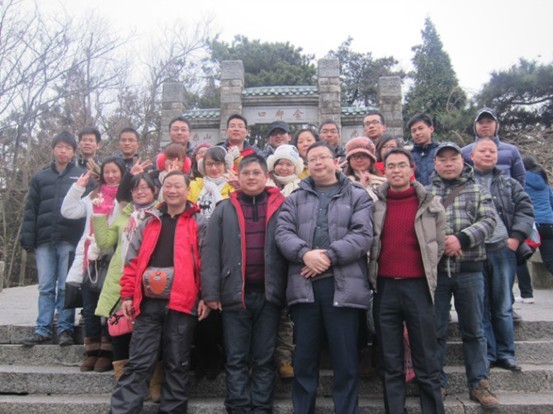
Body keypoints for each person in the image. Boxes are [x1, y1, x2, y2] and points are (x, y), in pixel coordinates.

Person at [276, 141, 373, 414]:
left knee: (345, 359)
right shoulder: (295, 197)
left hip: (343, 287)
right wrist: (305, 254)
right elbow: (282, 233)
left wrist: (327, 257)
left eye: (323, 157)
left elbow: (362, 235)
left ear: (336, 161)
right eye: (312, 158)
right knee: (304, 359)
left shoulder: (357, 195)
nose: (318, 162)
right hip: (304, 286)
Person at [110, 171, 209, 414]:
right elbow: (132, 261)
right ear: (162, 190)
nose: (172, 191)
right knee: (139, 360)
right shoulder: (150, 221)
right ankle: (122, 410)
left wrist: (206, 296)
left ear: (188, 191)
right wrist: (127, 295)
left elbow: (207, 263)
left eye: (178, 186)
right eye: (168, 186)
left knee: (177, 362)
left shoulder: (199, 222)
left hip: (183, 300)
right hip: (148, 301)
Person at [202, 155, 287, 414]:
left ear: (266, 177)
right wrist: (210, 293)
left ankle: (261, 407)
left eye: (256, 173)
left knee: (264, 357)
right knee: (236, 357)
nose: (251, 177)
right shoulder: (224, 208)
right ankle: (238, 406)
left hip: (270, 295)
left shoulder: (281, 206)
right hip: (234, 294)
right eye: (246, 173)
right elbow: (210, 251)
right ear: (237, 177)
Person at [371, 147, 445, 414]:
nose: (396, 170)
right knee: (390, 362)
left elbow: (438, 245)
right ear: (384, 171)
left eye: (402, 165)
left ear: (412, 169)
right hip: (385, 288)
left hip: (418, 287)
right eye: (391, 166)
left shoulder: (430, 204)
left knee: (426, 360)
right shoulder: (375, 204)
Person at [428, 142, 499, 410]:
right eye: (442, 159)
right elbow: (418, 226)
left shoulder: (477, 189)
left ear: (462, 161)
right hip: (437, 272)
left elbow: (489, 221)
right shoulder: (426, 192)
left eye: (453, 159)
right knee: (435, 329)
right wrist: (442, 242)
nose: (448, 163)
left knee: (474, 329)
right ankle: (437, 381)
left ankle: (479, 382)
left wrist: (461, 239)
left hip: (470, 269)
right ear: (435, 164)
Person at [20, 132, 89, 347]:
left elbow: (88, 207)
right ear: (53, 149)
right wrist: (28, 238)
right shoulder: (40, 177)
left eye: (67, 147)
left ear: (73, 151)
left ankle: (65, 329)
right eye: (59, 146)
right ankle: (42, 329)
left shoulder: (81, 175)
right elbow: (31, 210)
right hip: (44, 239)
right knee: (46, 286)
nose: (63, 151)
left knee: (65, 287)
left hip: (69, 239)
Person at [471, 138, 533, 373]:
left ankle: (506, 353)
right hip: (474, 251)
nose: (488, 154)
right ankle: (488, 353)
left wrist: (515, 238)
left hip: (502, 249)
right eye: (483, 151)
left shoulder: (509, 183)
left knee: (503, 304)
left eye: (492, 151)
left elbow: (526, 210)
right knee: (481, 305)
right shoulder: (464, 183)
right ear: (472, 156)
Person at [61, 157, 125, 372]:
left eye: (115, 171)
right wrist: (77, 188)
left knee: (108, 305)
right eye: (108, 172)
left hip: (112, 258)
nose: (111, 175)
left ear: (122, 173)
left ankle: (107, 351)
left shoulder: (125, 199)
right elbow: (68, 211)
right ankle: (92, 350)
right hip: (90, 258)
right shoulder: (93, 196)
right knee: (89, 308)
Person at [92, 173, 158, 382]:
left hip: (149, 278)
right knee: (119, 329)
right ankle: (123, 380)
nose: (140, 192)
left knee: (149, 331)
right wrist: (99, 215)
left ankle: (153, 382)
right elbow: (104, 243)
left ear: (154, 190)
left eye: (145, 187)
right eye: (136, 188)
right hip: (120, 277)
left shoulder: (159, 214)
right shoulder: (124, 215)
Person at [266, 143, 305, 379]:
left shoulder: (302, 189)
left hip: (293, 254)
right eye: (279, 163)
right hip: (268, 254)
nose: (283, 167)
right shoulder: (264, 187)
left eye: (288, 164)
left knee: (286, 313)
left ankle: (284, 357)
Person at [518, 156, 553, 300]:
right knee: (550, 260)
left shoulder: (520, 180)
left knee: (520, 259)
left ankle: (527, 295)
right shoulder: (544, 182)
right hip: (549, 224)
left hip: (532, 226)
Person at [461, 108, 525, 186]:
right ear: (475, 126)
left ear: (497, 125)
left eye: (489, 121)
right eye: (480, 122)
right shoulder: (463, 153)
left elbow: (520, 179)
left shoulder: (512, 151)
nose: (485, 125)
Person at [188, 146, 235, 219]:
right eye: (209, 164)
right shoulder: (193, 185)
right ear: (203, 166)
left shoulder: (233, 187)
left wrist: (214, 190)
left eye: (218, 163)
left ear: (225, 165)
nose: (214, 168)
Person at [344, 136, 386, 201]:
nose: (359, 160)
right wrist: (361, 186)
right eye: (354, 157)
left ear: (371, 159)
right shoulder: (344, 183)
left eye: (363, 156)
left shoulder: (384, 181)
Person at [408, 113, 439, 185]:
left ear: (431, 129)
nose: (417, 133)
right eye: (413, 131)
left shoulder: (440, 151)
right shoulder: (408, 155)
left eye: (420, 128)